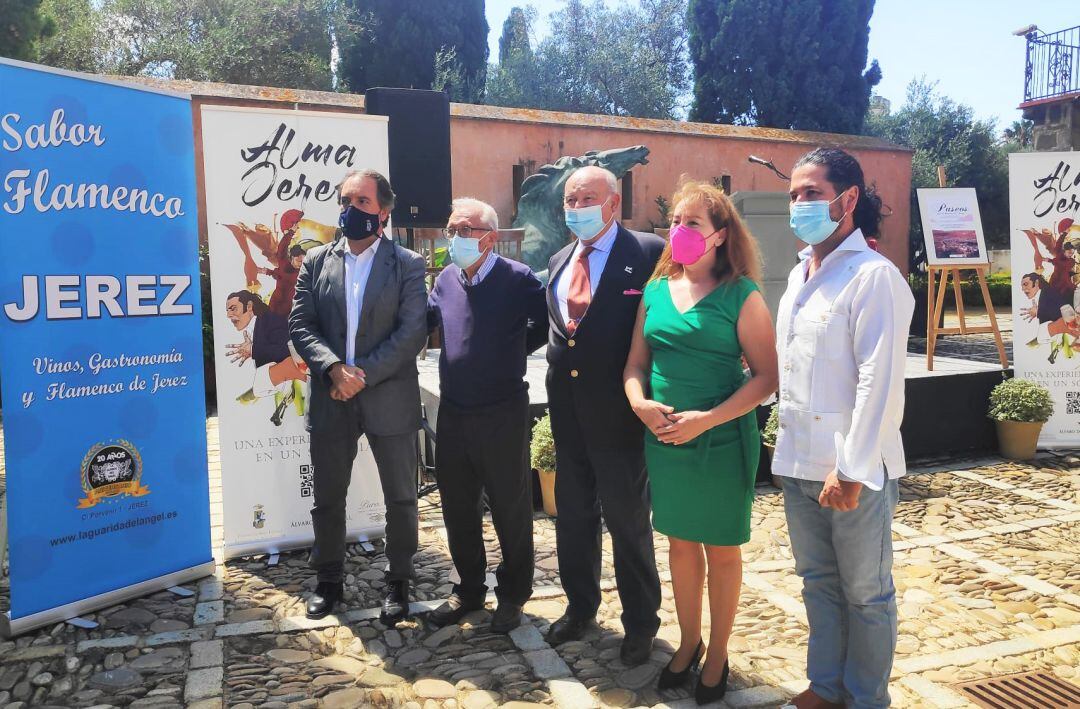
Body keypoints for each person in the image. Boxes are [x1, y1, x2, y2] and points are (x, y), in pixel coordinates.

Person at [623, 181, 777, 703]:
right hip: (665, 441)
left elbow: (765, 378)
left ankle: (717, 654)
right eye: (676, 222)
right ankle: (688, 643)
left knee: (722, 550)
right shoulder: (655, 289)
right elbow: (634, 366)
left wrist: (706, 420)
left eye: (693, 224)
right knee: (680, 546)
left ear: (719, 235)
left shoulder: (743, 295)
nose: (680, 232)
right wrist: (639, 404)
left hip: (722, 441)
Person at [773, 148, 914, 709]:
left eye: (811, 193)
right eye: (794, 195)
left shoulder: (873, 277)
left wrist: (852, 468)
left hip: (852, 471)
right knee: (818, 585)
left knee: (866, 594)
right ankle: (825, 688)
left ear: (847, 199)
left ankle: (864, 698)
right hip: (798, 463)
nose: (799, 204)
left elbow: (878, 383)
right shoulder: (797, 274)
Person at [289, 169, 427, 623]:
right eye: (346, 201)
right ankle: (328, 581)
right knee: (328, 496)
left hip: (388, 396)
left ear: (383, 213)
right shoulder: (316, 262)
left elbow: (412, 334)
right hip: (332, 397)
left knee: (401, 497)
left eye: (363, 203)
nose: (352, 210)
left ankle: (398, 582)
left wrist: (360, 374)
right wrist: (332, 368)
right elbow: (300, 325)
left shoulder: (407, 263)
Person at [544, 165, 665, 666]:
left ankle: (640, 622)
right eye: (570, 200)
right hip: (567, 415)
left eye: (586, 198)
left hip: (621, 415)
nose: (576, 208)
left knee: (628, 520)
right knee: (572, 516)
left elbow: (669, 318)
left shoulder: (649, 252)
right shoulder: (557, 258)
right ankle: (580, 607)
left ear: (613, 203)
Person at [425, 198, 549, 633]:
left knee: (510, 508)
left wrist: (513, 350)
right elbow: (428, 321)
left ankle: (514, 593)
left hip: (502, 411)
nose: (455, 237)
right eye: (451, 229)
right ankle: (469, 589)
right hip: (455, 410)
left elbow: (546, 323)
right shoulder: (444, 280)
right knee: (457, 506)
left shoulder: (519, 280)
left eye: (465, 230)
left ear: (489, 237)